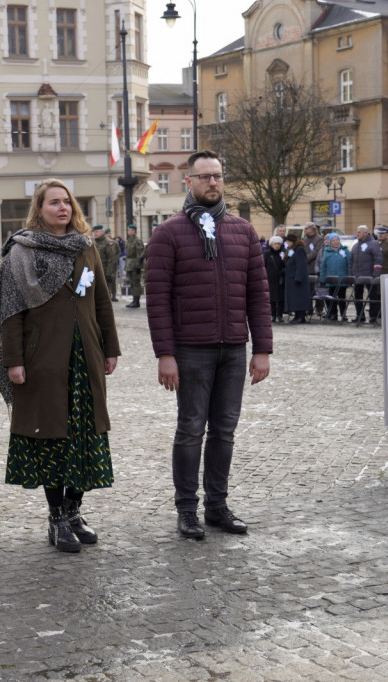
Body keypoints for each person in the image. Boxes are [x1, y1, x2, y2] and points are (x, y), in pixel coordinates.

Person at [0, 178, 121, 554]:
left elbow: (102, 302)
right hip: (41, 359)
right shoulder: (22, 251)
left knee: (86, 435)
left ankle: (75, 511)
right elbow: (11, 312)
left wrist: (110, 348)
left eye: (67, 202)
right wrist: (14, 361)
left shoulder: (86, 247)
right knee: (52, 438)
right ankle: (56, 518)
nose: (62, 208)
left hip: (85, 357)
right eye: (53, 203)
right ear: (39, 209)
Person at [145, 151, 272, 539]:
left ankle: (217, 505)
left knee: (225, 431)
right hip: (190, 348)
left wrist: (262, 348)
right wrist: (165, 354)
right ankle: (187, 510)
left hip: (233, 347)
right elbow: (157, 299)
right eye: (204, 177)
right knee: (190, 429)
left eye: (217, 176)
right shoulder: (168, 233)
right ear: (189, 182)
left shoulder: (242, 231)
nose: (212, 183)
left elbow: (258, 294)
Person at [349, 225, 382, 324]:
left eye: (359, 232)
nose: (357, 233)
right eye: (357, 232)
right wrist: (351, 275)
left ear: (365, 233)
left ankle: (373, 316)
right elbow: (351, 261)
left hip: (369, 276)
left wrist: (375, 274)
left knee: (372, 296)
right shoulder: (355, 246)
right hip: (358, 276)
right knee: (357, 296)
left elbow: (378, 259)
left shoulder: (373, 244)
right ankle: (360, 315)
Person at [318, 233, 350, 321]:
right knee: (332, 298)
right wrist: (322, 278)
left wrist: (349, 277)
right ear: (330, 242)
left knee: (342, 298)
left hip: (342, 280)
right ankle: (333, 314)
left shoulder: (345, 251)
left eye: (337, 240)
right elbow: (323, 266)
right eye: (333, 240)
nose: (336, 242)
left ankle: (343, 315)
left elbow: (349, 265)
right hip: (331, 280)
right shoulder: (327, 252)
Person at [283, 233, 311, 323]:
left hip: (298, 279)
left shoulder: (299, 250)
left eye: (288, 241)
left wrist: (298, 278)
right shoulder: (292, 250)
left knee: (299, 299)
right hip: (292, 278)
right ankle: (297, 316)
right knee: (295, 299)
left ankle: (301, 316)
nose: (287, 243)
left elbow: (301, 265)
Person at [92, 225, 120, 302]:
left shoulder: (108, 243)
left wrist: (109, 273)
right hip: (95, 269)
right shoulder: (93, 243)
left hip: (105, 269)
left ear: (102, 232)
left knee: (107, 288)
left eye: (97, 232)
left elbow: (111, 259)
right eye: (94, 232)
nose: (95, 234)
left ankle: (111, 297)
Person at [263, 235, 285, 323]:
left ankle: (280, 315)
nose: (277, 245)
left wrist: (283, 271)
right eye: (275, 243)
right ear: (271, 244)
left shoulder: (283, 254)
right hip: (270, 279)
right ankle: (273, 315)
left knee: (280, 299)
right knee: (271, 299)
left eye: (279, 244)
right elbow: (263, 265)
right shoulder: (267, 254)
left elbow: (285, 265)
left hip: (280, 279)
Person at [124, 224, 145, 308]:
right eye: (128, 230)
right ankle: (134, 300)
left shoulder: (137, 241)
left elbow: (140, 254)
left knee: (136, 283)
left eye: (130, 230)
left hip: (135, 264)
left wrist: (138, 267)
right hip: (129, 264)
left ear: (134, 231)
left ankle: (136, 301)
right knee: (132, 283)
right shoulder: (129, 240)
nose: (129, 232)